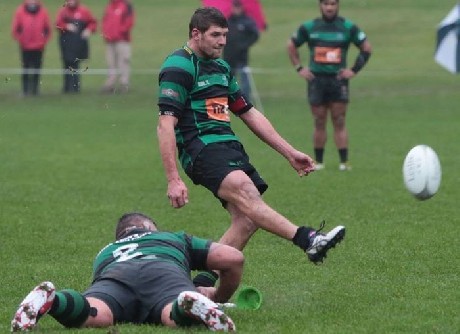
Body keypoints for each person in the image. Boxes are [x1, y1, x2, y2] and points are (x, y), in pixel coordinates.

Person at [157, 7, 346, 288]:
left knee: (246, 220)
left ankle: (198, 286)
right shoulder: (179, 65)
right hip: (201, 149)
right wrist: (173, 179)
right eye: (215, 35)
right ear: (195, 34)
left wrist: (289, 152)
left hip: (229, 146)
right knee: (247, 193)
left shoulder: (221, 67)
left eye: (225, 36)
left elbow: (249, 113)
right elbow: (165, 124)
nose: (222, 42)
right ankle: (309, 239)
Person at [11, 212, 242, 332]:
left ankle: (54, 300)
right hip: (162, 273)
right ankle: (185, 304)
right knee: (171, 312)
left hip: (116, 276)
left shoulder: (106, 251)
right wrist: (219, 297)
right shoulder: (171, 238)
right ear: (150, 228)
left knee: (97, 312)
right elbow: (232, 258)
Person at [287, 0, 372, 171]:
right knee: (319, 121)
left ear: (338, 5)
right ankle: (318, 162)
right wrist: (299, 68)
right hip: (316, 80)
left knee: (339, 120)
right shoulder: (310, 27)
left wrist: (354, 70)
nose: (329, 7)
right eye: (326, 4)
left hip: (338, 80)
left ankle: (344, 162)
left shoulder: (348, 27)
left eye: (333, 3)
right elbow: (291, 45)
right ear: (320, 5)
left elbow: (366, 48)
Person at [11, 0, 51, 97]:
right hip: (25, 47)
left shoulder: (43, 11)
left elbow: (47, 29)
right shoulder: (20, 11)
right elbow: (15, 29)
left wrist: (42, 41)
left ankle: (35, 90)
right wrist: (22, 40)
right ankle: (25, 90)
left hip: (39, 47)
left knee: (37, 68)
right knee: (25, 68)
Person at [55, 0, 97, 94]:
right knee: (67, 64)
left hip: (78, 44)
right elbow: (57, 24)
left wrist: (88, 30)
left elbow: (93, 23)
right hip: (66, 43)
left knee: (75, 64)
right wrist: (66, 26)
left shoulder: (84, 11)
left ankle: (75, 87)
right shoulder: (63, 11)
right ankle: (67, 87)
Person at [223, 0, 259, 99]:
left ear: (242, 7)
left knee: (244, 79)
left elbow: (255, 35)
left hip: (241, 56)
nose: (236, 9)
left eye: (238, 7)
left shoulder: (247, 21)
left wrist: (244, 45)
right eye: (235, 7)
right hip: (228, 55)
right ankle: (227, 97)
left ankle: (245, 98)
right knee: (228, 77)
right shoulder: (227, 21)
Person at [100, 0, 135, 94]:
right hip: (110, 40)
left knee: (123, 61)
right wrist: (105, 33)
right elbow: (105, 20)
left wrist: (120, 32)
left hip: (122, 40)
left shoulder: (126, 5)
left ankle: (124, 83)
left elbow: (129, 21)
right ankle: (110, 83)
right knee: (110, 62)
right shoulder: (109, 5)